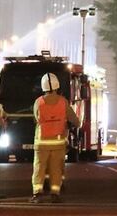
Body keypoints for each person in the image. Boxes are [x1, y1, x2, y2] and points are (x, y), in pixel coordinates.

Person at [31, 73, 80, 204]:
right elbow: (76, 121)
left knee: (39, 169)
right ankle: (55, 194)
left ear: (43, 87)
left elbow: (36, 118)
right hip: (58, 143)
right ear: (57, 86)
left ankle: (37, 194)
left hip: (41, 142)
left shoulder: (38, 102)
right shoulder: (63, 102)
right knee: (56, 169)